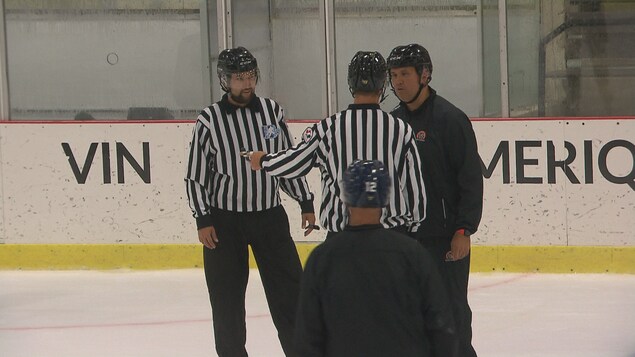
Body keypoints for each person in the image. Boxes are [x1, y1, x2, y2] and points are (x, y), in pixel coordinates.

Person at [184, 46, 317, 357]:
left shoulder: (272, 112)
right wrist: (203, 219)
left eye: (251, 76)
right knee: (227, 302)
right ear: (224, 80)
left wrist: (305, 201)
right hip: (224, 222)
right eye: (239, 78)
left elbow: (285, 162)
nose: (247, 83)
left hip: (269, 218)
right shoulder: (209, 120)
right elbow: (195, 175)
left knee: (291, 296)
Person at [248, 51, 425, 235]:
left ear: (351, 83)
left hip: (342, 239)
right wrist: (412, 228)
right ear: (383, 84)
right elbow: (414, 189)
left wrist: (263, 160)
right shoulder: (400, 129)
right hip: (390, 237)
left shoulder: (328, 128)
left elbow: (294, 163)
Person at [294, 160, 458, 356]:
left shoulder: (322, 259)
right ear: (385, 197)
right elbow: (441, 327)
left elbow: (307, 339)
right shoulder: (412, 254)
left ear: (345, 197)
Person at [387, 43, 484, 357]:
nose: (398, 82)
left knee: (452, 317)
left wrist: (463, 230)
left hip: (445, 240)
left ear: (424, 75)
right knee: (411, 317)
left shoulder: (450, 119)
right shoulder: (392, 123)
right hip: (405, 241)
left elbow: (469, 179)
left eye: (405, 74)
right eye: (393, 75)